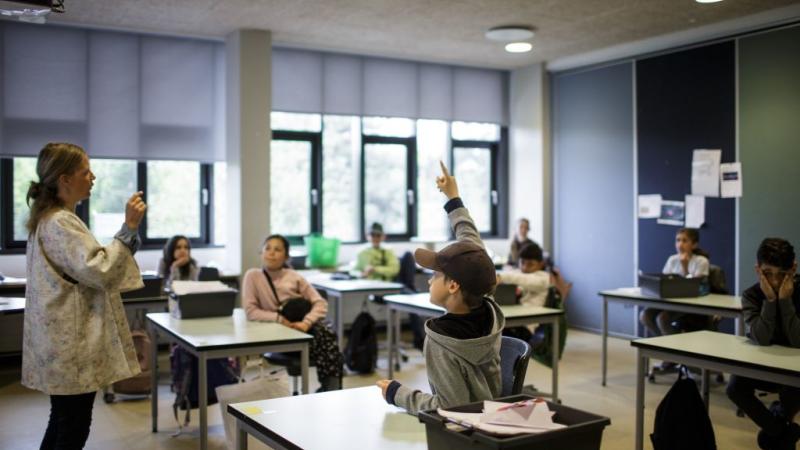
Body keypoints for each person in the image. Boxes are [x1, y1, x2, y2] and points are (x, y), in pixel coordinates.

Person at [22, 142, 146, 449]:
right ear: (64, 179)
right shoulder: (60, 221)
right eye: (85, 171)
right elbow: (99, 268)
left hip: (62, 343)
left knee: (64, 420)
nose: (93, 177)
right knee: (72, 426)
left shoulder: (51, 218)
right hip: (70, 346)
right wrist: (129, 228)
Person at [376, 161, 504, 414]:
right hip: (493, 413)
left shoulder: (441, 341)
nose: (429, 280)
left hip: (464, 433)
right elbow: (471, 244)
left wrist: (398, 394)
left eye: (435, 275)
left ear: (454, 285)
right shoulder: (487, 304)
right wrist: (453, 198)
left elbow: (451, 408)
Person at [242, 234, 344, 391]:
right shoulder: (253, 276)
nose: (271, 253)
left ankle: (329, 388)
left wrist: (306, 323)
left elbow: (320, 303)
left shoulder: (294, 277)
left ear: (286, 256)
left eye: (277, 249)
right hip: (277, 335)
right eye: (267, 248)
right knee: (327, 337)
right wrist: (279, 319)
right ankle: (331, 389)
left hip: (304, 331)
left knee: (324, 332)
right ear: (261, 253)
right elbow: (251, 311)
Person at [727, 238, 800, 450]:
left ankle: (780, 430)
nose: (776, 282)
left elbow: (797, 341)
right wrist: (770, 301)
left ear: (793, 268)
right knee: (735, 387)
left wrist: (785, 302)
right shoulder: (751, 295)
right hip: (763, 363)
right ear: (758, 269)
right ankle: (782, 430)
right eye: (768, 274)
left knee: (793, 387)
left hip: (794, 368)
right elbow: (761, 337)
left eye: (782, 274)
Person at [640, 228, 710, 338]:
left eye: (684, 241)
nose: (680, 244)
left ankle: (674, 347)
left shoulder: (701, 261)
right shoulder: (672, 259)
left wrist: (685, 266)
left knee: (662, 318)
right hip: (670, 301)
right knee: (645, 315)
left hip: (689, 303)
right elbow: (664, 281)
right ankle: (663, 344)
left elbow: (693, 287)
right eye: (678, 240)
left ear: (694, 244)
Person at [497, 242, 570, 334]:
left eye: (530, 264)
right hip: (511, 319)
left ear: (541, 264)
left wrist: (502, 277)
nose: (525, 267)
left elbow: (526, 280)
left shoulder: (544, 278)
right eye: (522, 262)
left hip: (527, 326)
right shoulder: (520, 274)